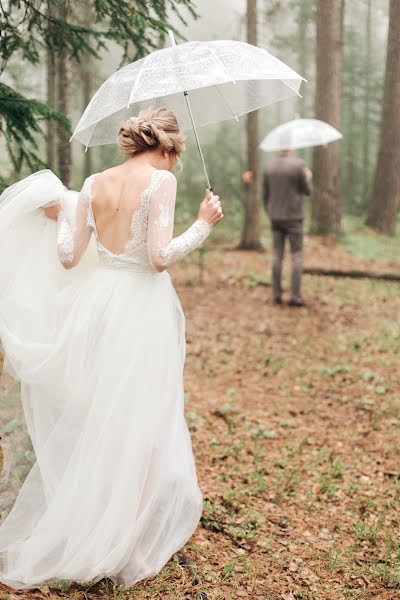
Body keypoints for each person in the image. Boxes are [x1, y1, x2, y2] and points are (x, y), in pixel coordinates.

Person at [0, 107, 223, 589]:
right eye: (174, 157)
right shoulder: (161, 183)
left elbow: (67, 255)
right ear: (166, 147)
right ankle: (135, 546)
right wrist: (204, 223)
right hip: (141, 310)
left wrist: (63, 211)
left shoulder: (95, 182)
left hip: (98, 307)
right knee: (141, 423)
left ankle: (118, 534)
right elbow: (160, 257)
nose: (173, 167)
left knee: (104, 418)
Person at [263, 149, 312, 307]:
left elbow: (265, 195)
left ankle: (277, 294)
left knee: (277, 255)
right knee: (297, 255)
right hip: (294, 217)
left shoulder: (269, 167)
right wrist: (308, 177)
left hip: (275, 217)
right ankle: (295, 297)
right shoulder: (299, 166)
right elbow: (307, 191)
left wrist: (270, 211)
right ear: (290, 149)